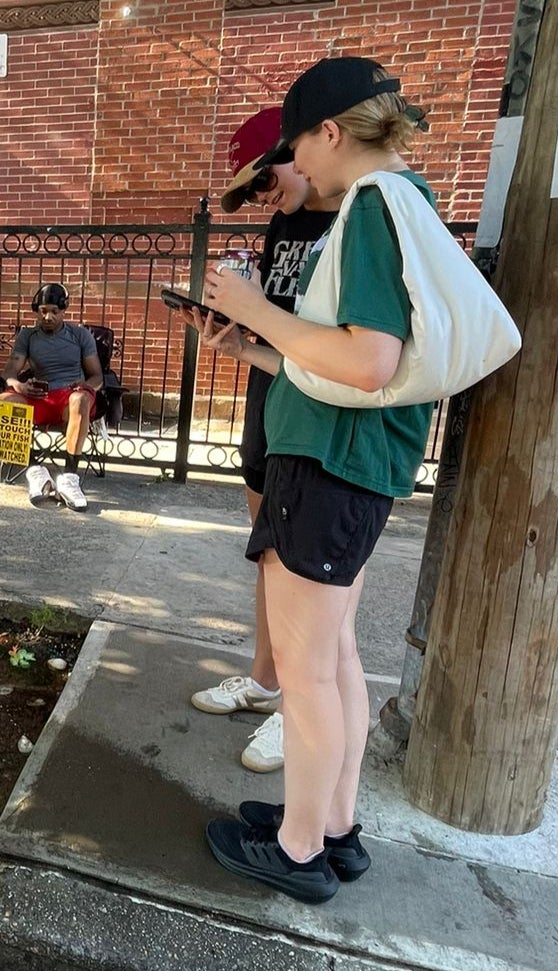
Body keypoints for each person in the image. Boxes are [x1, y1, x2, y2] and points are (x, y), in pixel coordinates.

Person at [196, 57, 435, 903]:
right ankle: (333, 827)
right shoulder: (406, 202)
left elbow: (369, 363)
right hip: (350, 462)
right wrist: (259, 349)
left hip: (328, 465)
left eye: (296, 141)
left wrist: (254, 308)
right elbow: (350, 361)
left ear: (328, 132)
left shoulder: (370, 208)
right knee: (332, 660)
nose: (295, 160)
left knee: (305, 671)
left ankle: (299, 852)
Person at [188, 107, 343, 776]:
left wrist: (259, 323)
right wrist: (239, 333)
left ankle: (299, 710)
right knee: (270, 558)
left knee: (315, 578)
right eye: (250, 190)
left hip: (325, 423)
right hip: (273, 405)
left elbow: (352, 351)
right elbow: (279, 331)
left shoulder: (357, 224)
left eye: (266, 177)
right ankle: (266, 681)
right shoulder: (285, 223)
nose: (262, 195)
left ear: (307, 146)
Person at [0, 283, 102, 511]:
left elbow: (97, 377)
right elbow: (10, 372)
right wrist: (20, 386)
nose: (48, 316)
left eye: (54, 311)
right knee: (3, 403)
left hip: (70, 397)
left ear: (64, 310)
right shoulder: (28, 336)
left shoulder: (80, 335)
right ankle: (35, 471)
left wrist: (85, 386)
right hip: (40, 396)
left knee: (80, 399)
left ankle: (70, 478)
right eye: (43, 311)